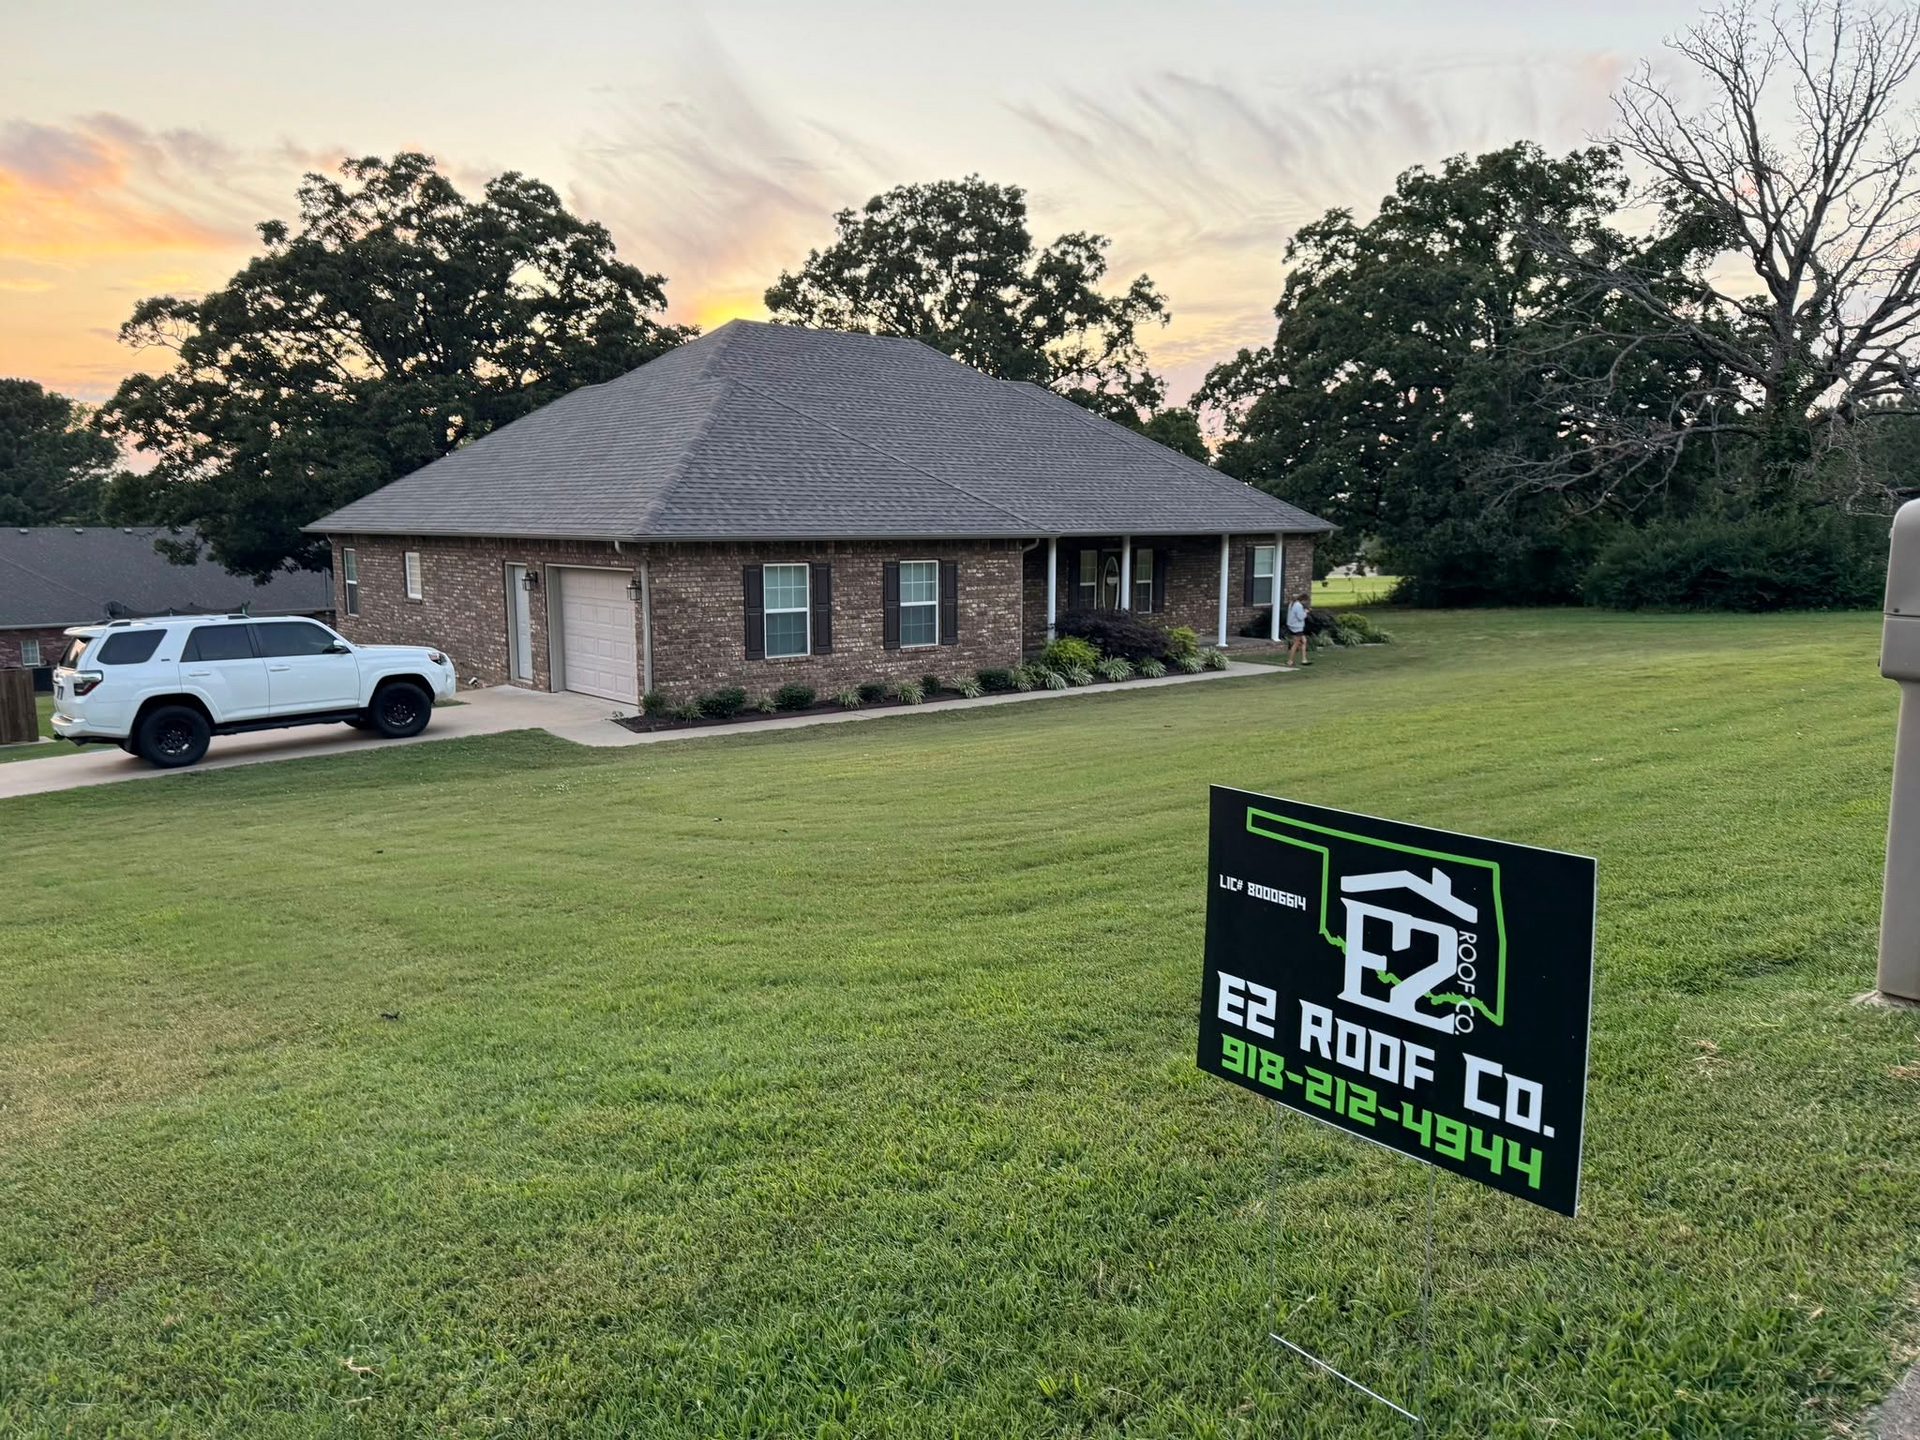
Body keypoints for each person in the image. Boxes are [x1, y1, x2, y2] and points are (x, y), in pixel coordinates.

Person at [1286, 594, 1310, 667]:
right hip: (1297, 627)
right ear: (1303, 600)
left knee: (1304, 641)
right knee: (1296, 644)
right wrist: (1306, 612)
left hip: (1292, 626)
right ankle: (1290, 661)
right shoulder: (1298, 606)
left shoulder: (1292, 604)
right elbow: (1300, 617)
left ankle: (1304, 659)